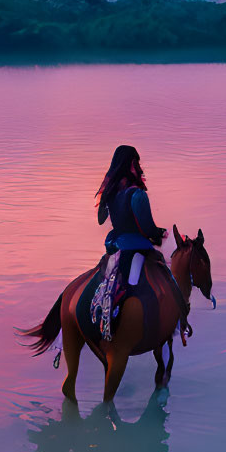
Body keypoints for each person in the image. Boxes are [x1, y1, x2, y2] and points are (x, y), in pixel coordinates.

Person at [90, 144, 167, 340]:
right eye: (137, 162)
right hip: (134, 245)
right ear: (131, 163)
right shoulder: (137, 194)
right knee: (165, 277)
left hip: (114, 244)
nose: (139, 167)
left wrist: (106, 193)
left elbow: (100, 219)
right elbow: (147, 227)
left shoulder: (111, 192)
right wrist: (158, 234)